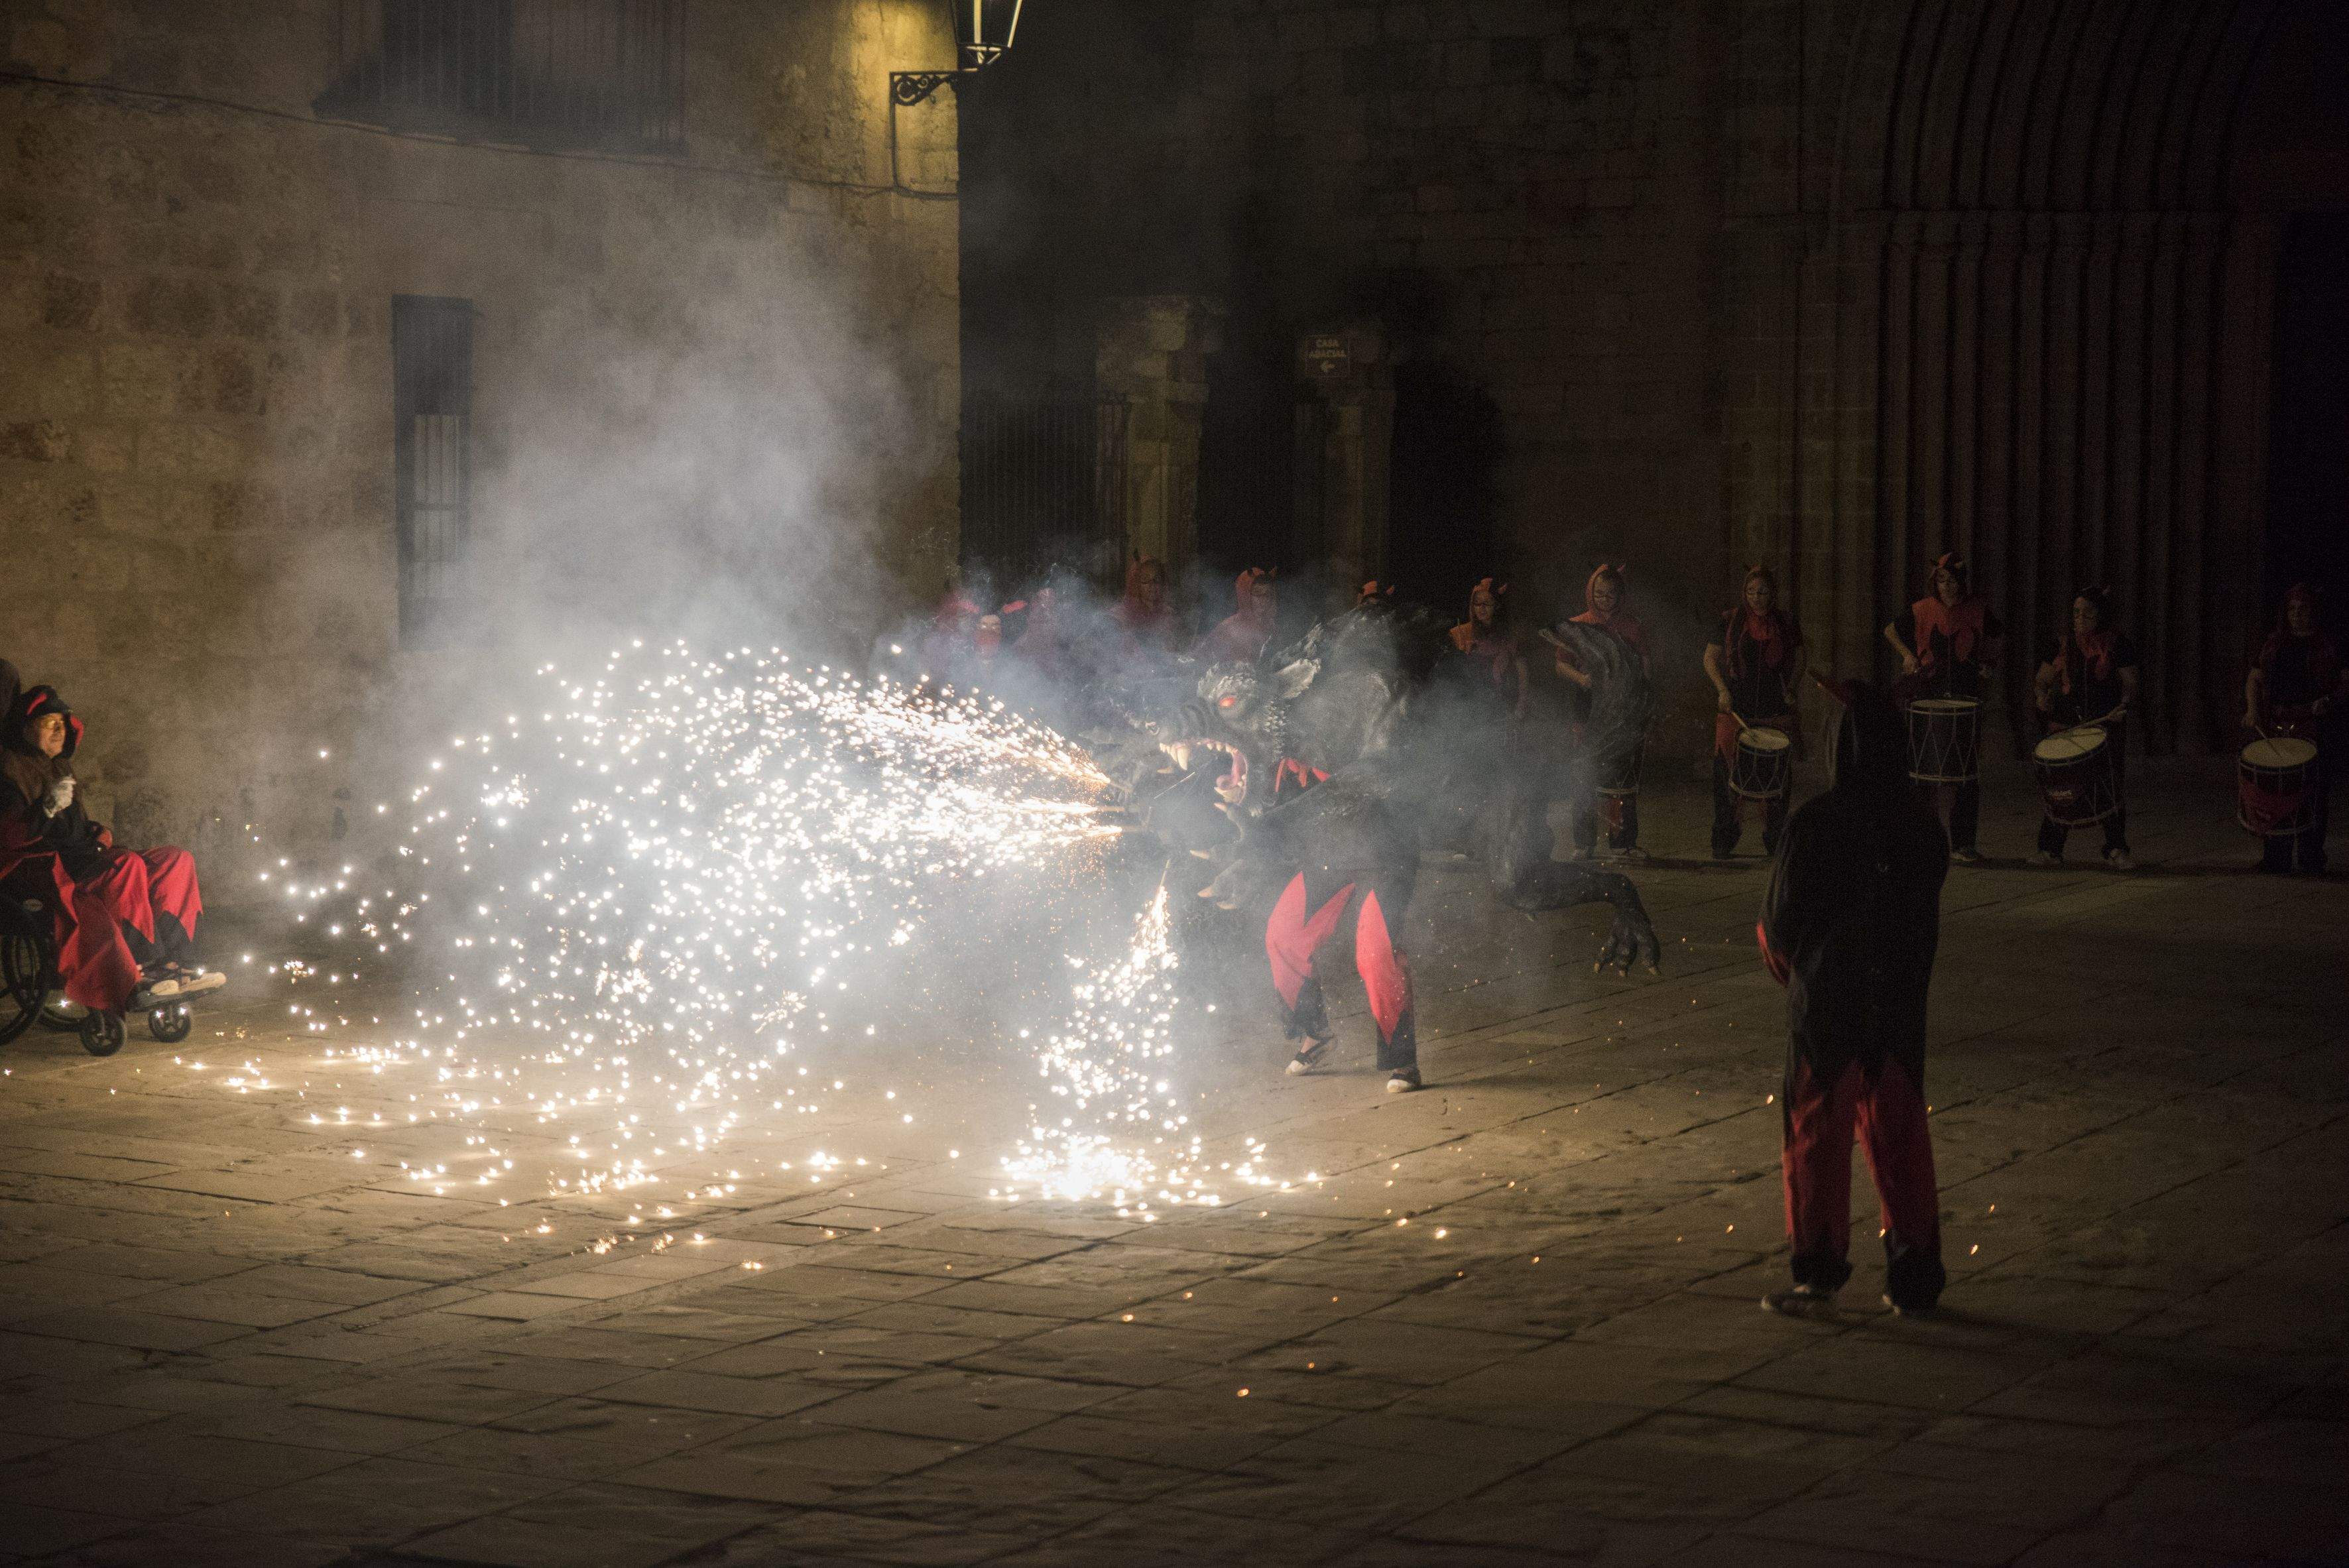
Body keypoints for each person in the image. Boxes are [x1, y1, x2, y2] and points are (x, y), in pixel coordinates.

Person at [1757, 680, 1949, 1317]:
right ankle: (1915, 1276)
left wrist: (1802, 977)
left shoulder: (1814, 822)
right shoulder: (1923, 827)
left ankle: (1816, 1274)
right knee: (1899, 1134)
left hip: (1829, 999)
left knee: (1816, 1134)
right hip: (1897, 1000)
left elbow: (1777, 927)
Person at [0, 685, 222, 1016]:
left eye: (63, 722)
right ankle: (144, 966)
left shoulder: (61, 767)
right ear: (27, 726)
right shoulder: (8, 768)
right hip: (41, 867)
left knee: (175, 860)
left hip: (82, 856)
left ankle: (179, 961)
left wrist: (96, 833)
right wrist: (44, 811)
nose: (60, 730)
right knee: (126, 865)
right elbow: (10, 835)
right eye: (50, 723)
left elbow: (77, 826)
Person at [1884, 552, 2002, 862]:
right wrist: (1908, 656)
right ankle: (1921, 839)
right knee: (1923, 772)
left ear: (1963, 582)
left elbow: (1998, 637)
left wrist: (1988, 662)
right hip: (1929, 694)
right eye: (1942, 581)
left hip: (1965, 696)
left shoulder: (1977, 609)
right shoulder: (1923, 609)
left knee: (1966, 773)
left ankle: (1963, 843)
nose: (1948, 587)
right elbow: (1890, 631)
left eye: (1953, 581)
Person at [2030, 589, 2138, 870]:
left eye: (2087, 613)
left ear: (2101, 615)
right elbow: (2043, 680)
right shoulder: (2063, 644)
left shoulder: (2118, 644)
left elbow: (2129, 683)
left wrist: (2122, 706)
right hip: (2066, 722)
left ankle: (2116, 848)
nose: (2080, 618)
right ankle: (2050, 849)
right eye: (2076, 613)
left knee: (2108, 785)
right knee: (2061, 785)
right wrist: (2042, 696)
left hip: (2103, 723)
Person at [2244, 583, 2345, 874]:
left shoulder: (2329, 645)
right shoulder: (2275, 644)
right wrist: (2251, 709)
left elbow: (2344, 681)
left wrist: (2329, 701)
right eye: (2292, 610)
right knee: (2277, 791)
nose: (2297, 615)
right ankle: (2276, 857)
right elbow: (2255, 678)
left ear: (2314, 611)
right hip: (2279, 724)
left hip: (2313, 725)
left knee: (2311, 791)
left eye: (2303, 609)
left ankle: (2311, 857)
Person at [1705, 566, 1804, 861]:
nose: (1756, 598)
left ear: (1772, 593)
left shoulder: (1785, 622)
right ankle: (1724, 838)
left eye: (1762, 592)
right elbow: (1710, 659)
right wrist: (1722, 690)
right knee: (1727, 776)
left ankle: (1775, 839)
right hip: (1739, 711)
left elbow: (1800, 658)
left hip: (1774, 710)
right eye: (1751, 592)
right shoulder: (1730, 621)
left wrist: (1792, 688)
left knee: (1775, 779)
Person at [1556, 564, 1649, 860]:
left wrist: (1638, 687)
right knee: (1584, 775)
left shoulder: (1632, 626)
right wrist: (1583, 679)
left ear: (1619, 595)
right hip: (1588, 708)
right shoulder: (1577, 625)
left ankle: (1623, 842)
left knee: (1623, 778)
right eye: (1599, 594)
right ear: (1590, 593)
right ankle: (1584, 844)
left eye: (1610, 595)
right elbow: (1561, 664)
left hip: (1623, 709)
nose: (1604, 600)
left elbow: (1645, 662)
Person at [1448, 577, 1527, 717]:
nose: (1481, 608)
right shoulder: (1462, 634)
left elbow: (1522, 672)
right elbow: (1454, 674)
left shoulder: (1508, 635)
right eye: (1477, 604)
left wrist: (1521, 704)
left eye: (1487, 603)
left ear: (1496, 605)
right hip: (1471, 703)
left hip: (1501, 702)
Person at [1193, 567, 1279, 667]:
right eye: (1257, 594)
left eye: (1267, 594)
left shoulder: (1271, 626)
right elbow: (1199, 662)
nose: (1263, 600)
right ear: (1246, 595)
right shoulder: (1230, 627)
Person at [1109, 555, 1180, 665]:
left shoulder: (1168, 614)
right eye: (1145, 579)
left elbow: (1175, 653)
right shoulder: (1120, 615)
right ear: (1136, 583)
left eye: (1157, 580)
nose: (1152, 585)